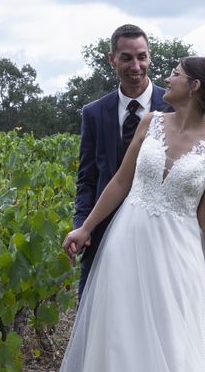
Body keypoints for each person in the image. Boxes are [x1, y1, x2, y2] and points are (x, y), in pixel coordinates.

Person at [60, 56, 205, 371]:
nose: (167, 79)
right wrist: (85, 228)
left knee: (172, 335)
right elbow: (119, 182)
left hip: (178, 251)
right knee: (121, 330)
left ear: (194, 86)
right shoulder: (150, 121)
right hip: (127, 240)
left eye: (176, 74)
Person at [74, 24, 172, 300]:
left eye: (142, 56)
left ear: (150, 56)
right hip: (105, 228)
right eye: (127, 57)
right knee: (96, 310)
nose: (136, 65)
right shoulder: (94, 113)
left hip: (159, 233)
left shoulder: (175, 107)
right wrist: (83, 225)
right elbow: (87, 178)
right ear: (112, 59)